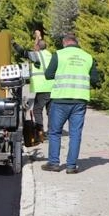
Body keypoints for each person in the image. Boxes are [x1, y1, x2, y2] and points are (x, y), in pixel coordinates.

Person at [42, 33, 100, 174]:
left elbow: (48, 75)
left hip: (60, 99)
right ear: (76, 43)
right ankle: (71, 166)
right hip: (80, 100)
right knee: (75, 134)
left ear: (64, 43)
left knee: (55, 132)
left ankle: (54, 164)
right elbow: (95, 80)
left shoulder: (59, 55)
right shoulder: (88, 57)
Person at [27, 37, 53, 132]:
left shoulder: (36, 55)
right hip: (52, 86)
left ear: (38, 47)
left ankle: (40, 131)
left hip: (43, 87)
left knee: (37, 110)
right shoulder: (50, 55)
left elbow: (23, 52)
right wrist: (38, 38)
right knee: (50, 111)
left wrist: (14, 44)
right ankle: (51, 131)